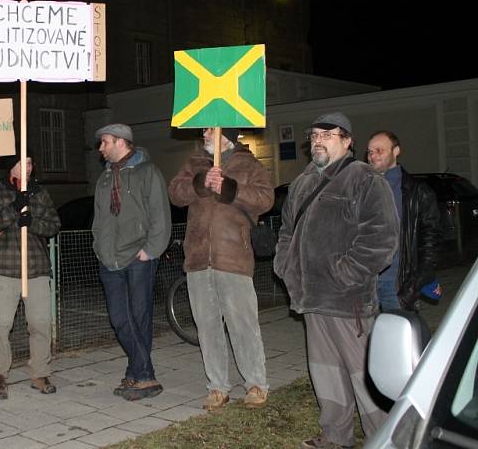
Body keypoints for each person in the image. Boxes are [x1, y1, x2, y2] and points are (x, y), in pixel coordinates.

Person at [273, 113, 399, 449]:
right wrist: (286, 267)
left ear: (347, 141)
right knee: (326, 374)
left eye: (328, 134)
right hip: (312, 299)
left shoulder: (364, 179)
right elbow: (287, 231)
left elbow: (381, 239)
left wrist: (346, 272)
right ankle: (334, 437)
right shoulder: (301, 183)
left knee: (364, 377)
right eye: (314, 134)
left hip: (349, 301)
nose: (318, 139)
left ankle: (384, 438)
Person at [168, 128, 274, 410]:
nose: (205, 132)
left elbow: (265, 198)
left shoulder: (248, 164)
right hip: (198, 258)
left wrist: (229, 187)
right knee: (207, 327)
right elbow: (176, 193)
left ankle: (255, 383)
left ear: (226, 135)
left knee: (243, 325)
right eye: (205, 128)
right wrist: (202, 182)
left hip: (234, 258)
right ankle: (217, 386)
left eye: (211, 129)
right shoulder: (195, 164)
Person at [92, 123, 171, 401]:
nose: (100, 148)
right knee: (120, 319)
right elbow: (99, 219)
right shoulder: (104, 178)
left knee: (139, 318)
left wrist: (150, 251)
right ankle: (144, 374)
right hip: (109, 259)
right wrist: (98, 247)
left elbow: (160, 215)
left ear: (120, 142)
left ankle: (139, 375)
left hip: (139, 257)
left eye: (104, 142)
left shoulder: (147, 172)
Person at [0, 155, 61, 399]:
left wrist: (33, 223)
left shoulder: (40, 192)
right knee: (0, 324)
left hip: (36, 267)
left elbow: (54, 225)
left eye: (30, 163)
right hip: (7, 267)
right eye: (22, 163)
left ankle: (40, 371)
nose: (27, 167)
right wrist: (13, 210)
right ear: (12, 166)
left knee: (39, 323)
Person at [366, 130, 442, 311]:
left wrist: (413, 286)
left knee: (398, 337)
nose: (372, 156)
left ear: (396, 151)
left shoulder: (417, 192)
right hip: (365, 286)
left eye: (379, 150)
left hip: (397, 286)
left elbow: (431, 242)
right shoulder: (363, 188)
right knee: (368, 340)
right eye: (369, 152)